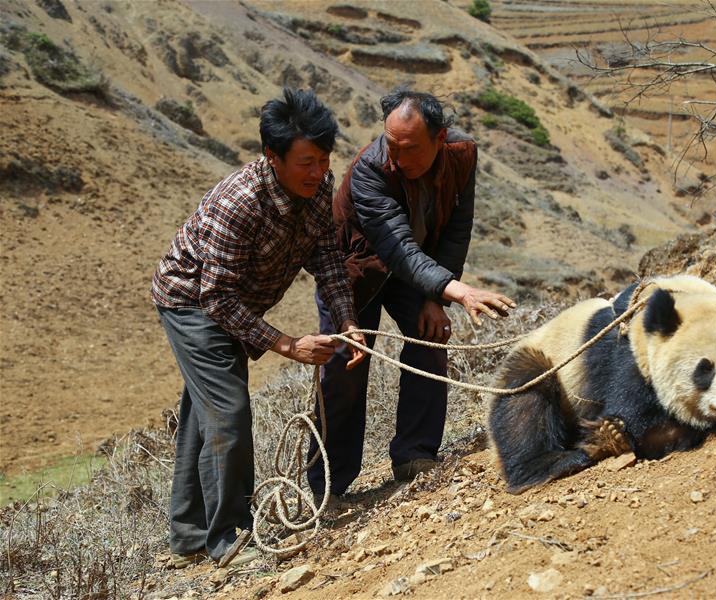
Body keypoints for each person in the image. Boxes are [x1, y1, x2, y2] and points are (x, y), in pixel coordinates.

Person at [151, 88, 365, 567]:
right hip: (192, 304)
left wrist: (348, 320)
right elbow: (215, 297)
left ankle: (188, 537)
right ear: (273, 157)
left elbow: (327, 258)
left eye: (325, 160)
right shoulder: (240, 203)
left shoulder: (317, 189)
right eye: (307, 161)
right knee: (228, 411)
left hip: (235, 304)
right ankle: (228, 538)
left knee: (206, 412)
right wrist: (287, 344)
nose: (319, 172)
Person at [307, 89, 515, 503]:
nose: (398, 158)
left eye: (410, 148)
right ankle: (327, 489)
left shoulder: (462, 153)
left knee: (430, 337)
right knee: (345, 367)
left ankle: (414, 456)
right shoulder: (369, 170)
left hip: (418, 270)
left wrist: (437, 298)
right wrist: (456, 289)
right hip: (354, 271)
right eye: (391, 145)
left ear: (440, 138)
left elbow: (457, 228)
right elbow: (395, 244)